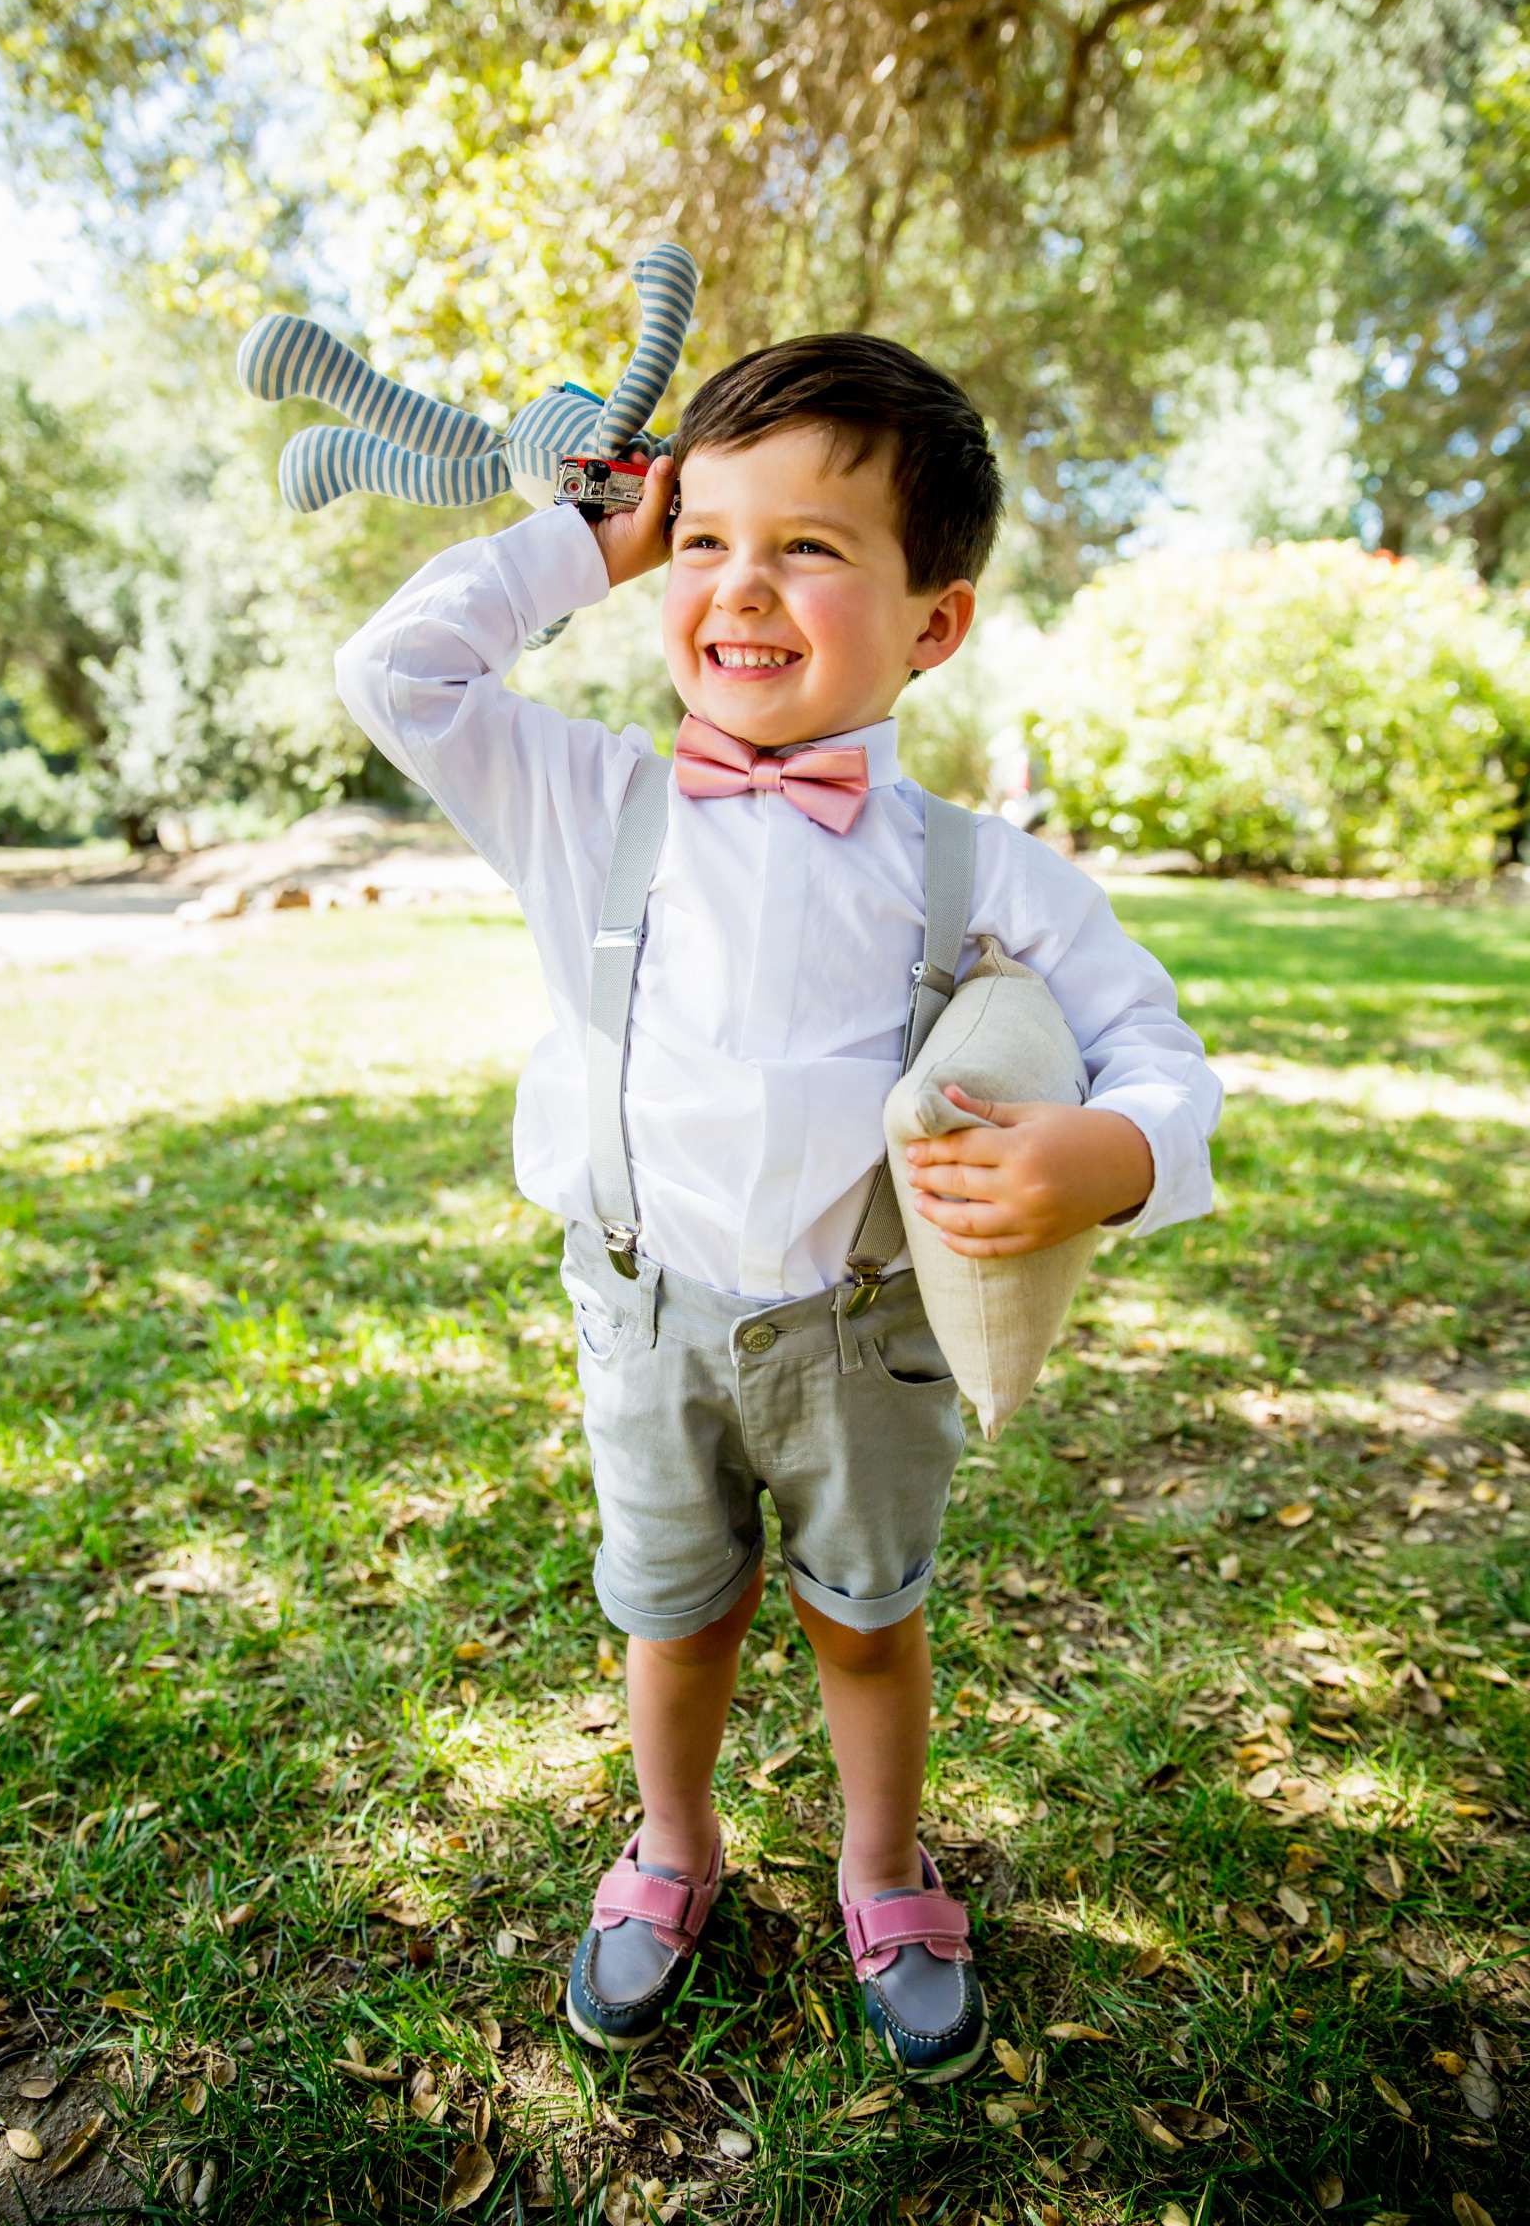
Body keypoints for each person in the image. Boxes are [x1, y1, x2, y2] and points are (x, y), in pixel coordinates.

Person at [333, 333, 1223, 2085]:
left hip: (864, 1338)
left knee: (866, 1619)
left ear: (934, 623)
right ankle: (674, 1850)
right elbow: (399, 672)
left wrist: (1106, 1158)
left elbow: (1156, 1051)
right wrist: (591, 542)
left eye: (809, 546)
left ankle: (883, 1872)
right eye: (706, 536)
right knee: (672, 1616)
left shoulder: (984, 871)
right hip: (646, 1315)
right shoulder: (591, 804)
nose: (741, 583)